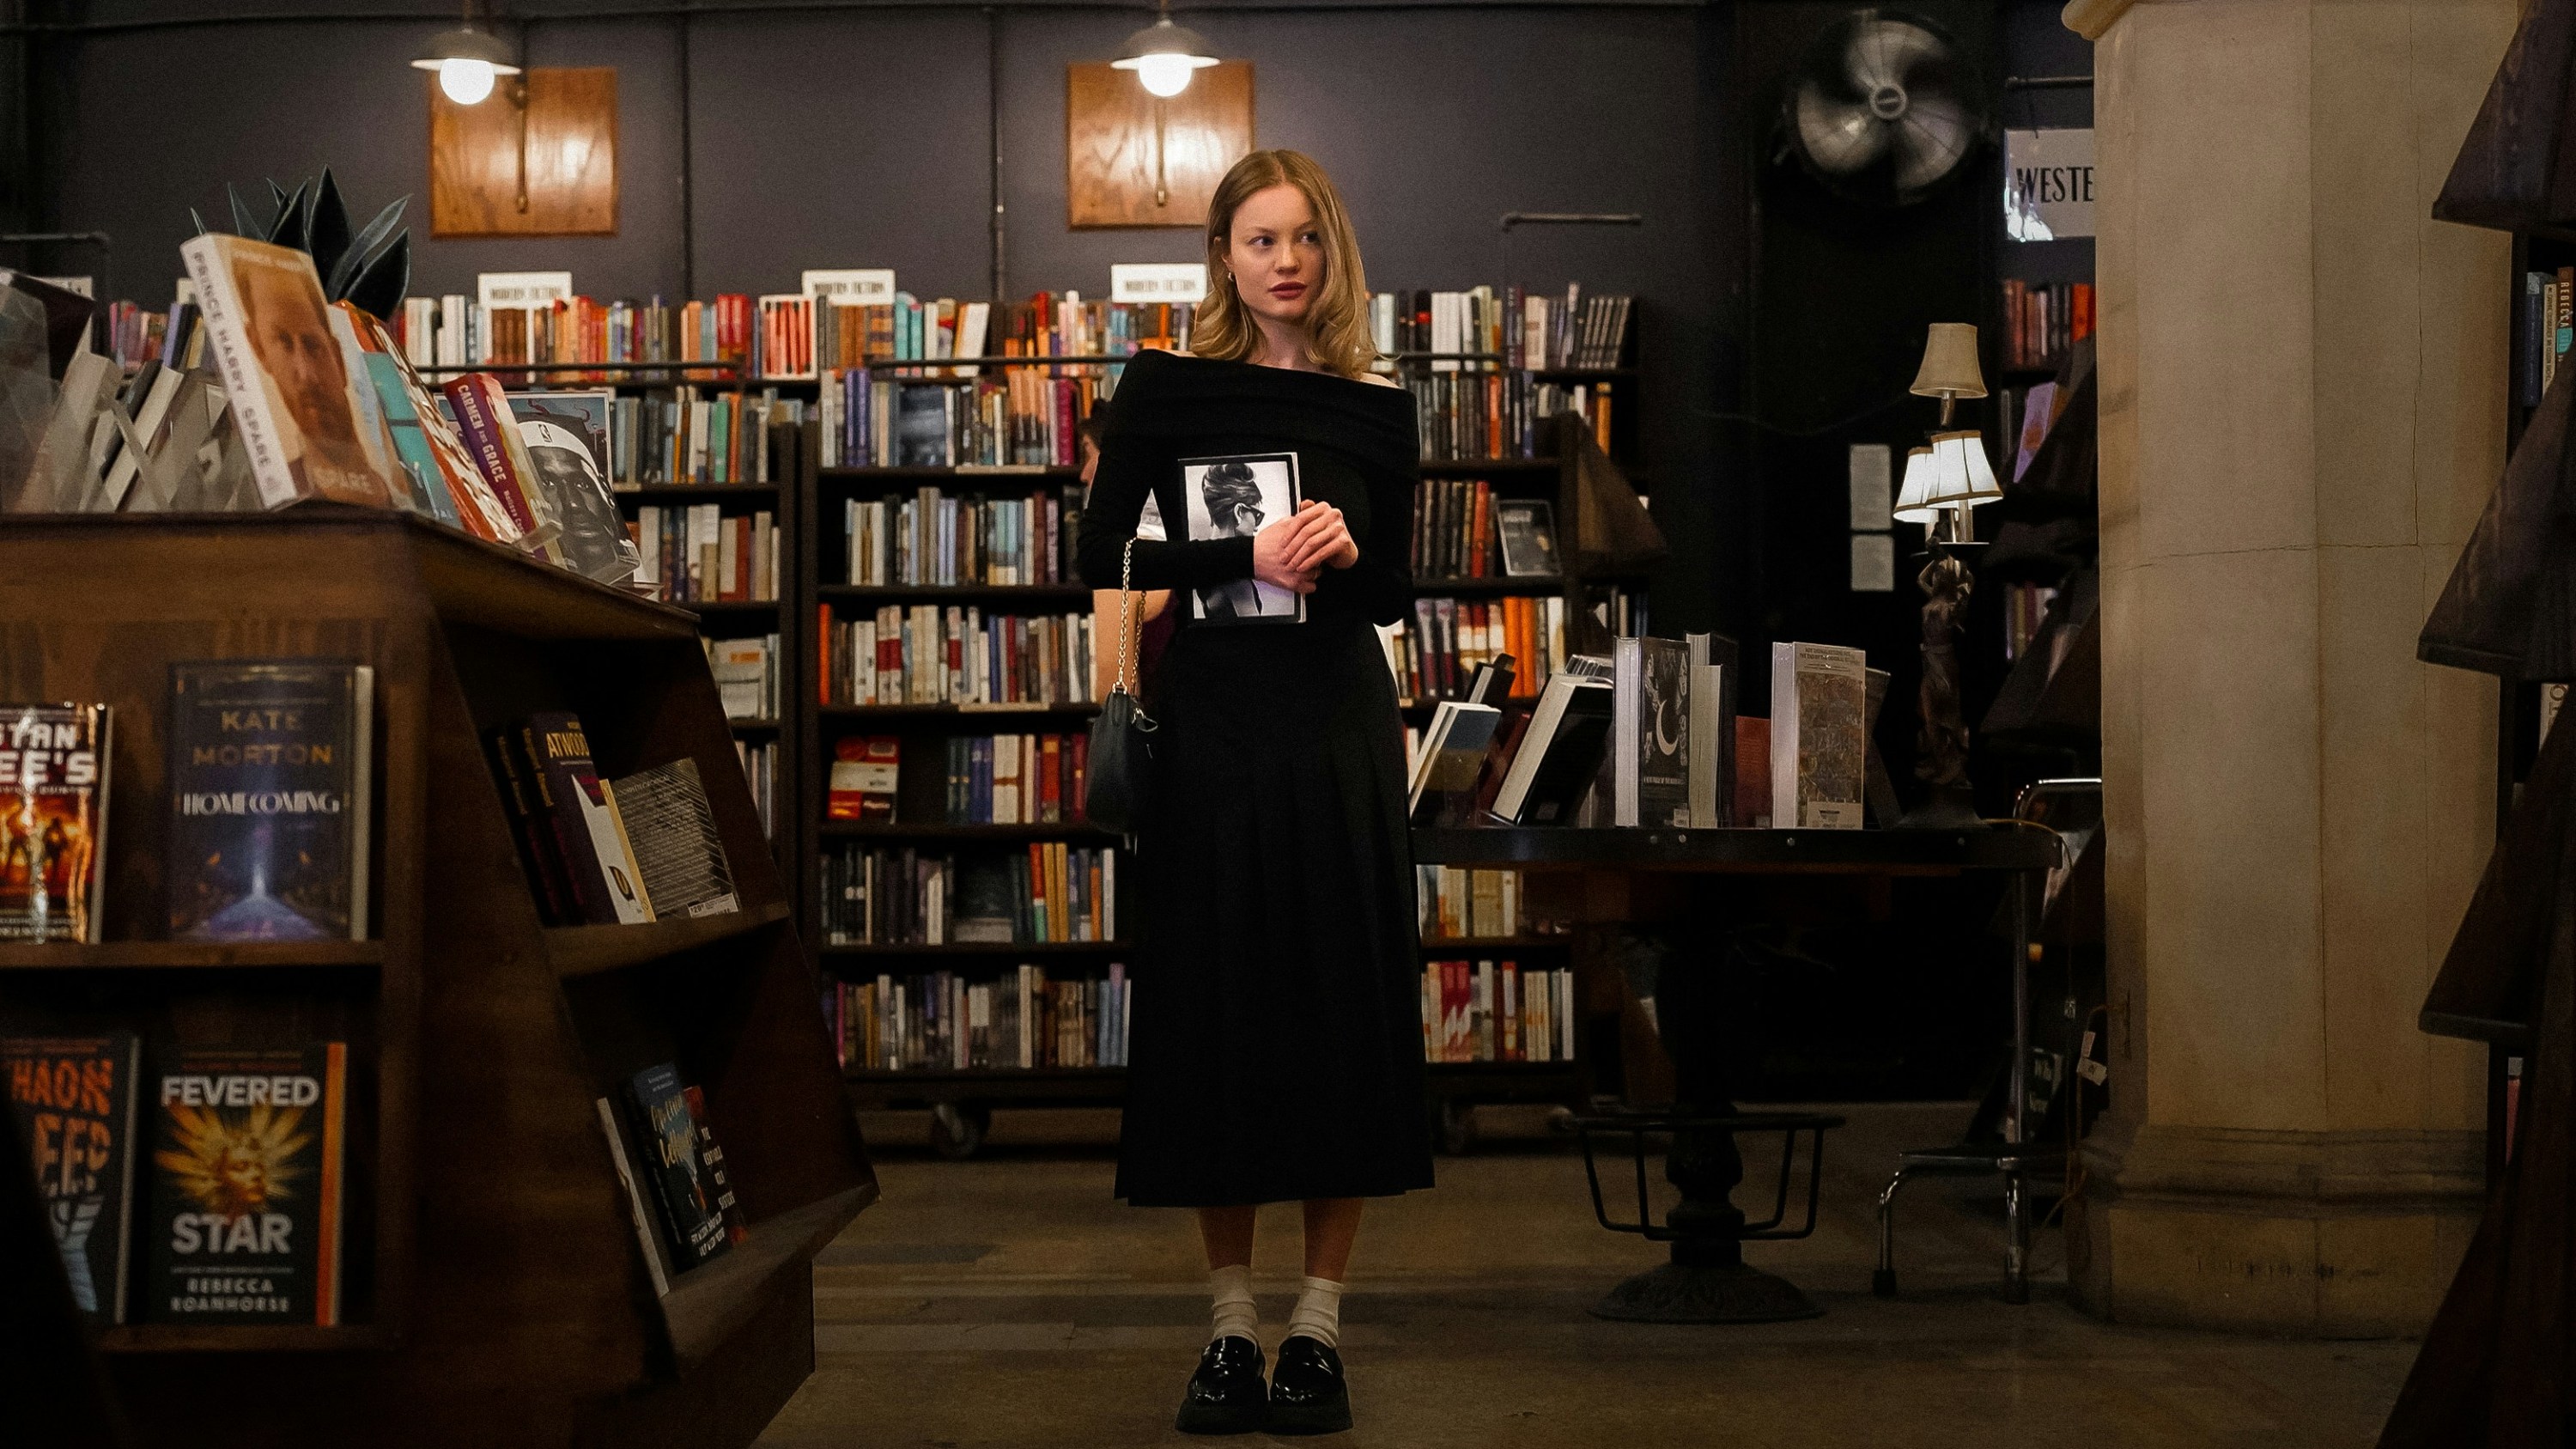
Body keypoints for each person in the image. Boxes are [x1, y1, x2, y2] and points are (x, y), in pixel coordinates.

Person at [1075, 149, 1428, 1438]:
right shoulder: (1167, 389)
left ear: (1332, 254)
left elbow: (1394, 592)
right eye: (1260, 238)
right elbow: (1100, 550)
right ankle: (1229, 1325)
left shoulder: (1376, 406)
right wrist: (1245, 548)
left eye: (1307, 239)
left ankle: (1317, 1328)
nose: (1286, 261)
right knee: (1216, 1005)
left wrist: (1338, 556)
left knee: (1339, 1000)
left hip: (1334, 721)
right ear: (1222, 255)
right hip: (1212, 723)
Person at [227, 246, 386, 504]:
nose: (307, 374)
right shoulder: (278, 494)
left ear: (338, 357)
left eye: (313, 345)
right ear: (259, 348)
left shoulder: (395, 488)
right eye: (283, 342)